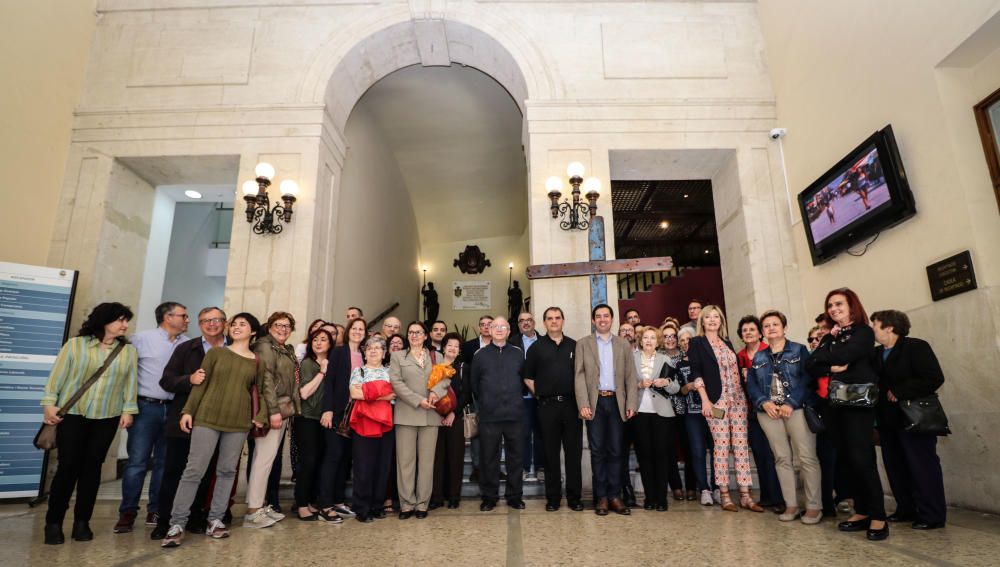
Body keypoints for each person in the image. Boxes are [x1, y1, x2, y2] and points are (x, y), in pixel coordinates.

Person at [160, 313, 263, 547]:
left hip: (238, 422)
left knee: (227, 471)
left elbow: (260, 391)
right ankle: (177, 524)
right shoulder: (216, 353)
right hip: (207, 417)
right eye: (234, 324)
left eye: (243, 324)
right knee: (194, 471)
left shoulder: (256, 360)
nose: (236, 327)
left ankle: (215, 520)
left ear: (253, 331)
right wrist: (188, 411)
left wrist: (260, 416)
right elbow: (200, 384)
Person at [41, 303, 138, 545]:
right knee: (68, 467)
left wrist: (128, 410)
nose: (125, 325)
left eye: (126, 321)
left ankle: (81, 522)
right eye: (120, 320)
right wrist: (49, 403)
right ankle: (53, 523)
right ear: (104, 320)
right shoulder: (75, 345)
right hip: (73, 414)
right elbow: (57, 377)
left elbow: (130, 383)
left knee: (92, 469)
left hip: (107, 416)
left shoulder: (127, 351)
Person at [806, 288, 888, 541]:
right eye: (830, 305)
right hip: (835, 405)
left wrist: (828, 358)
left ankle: (878, 516)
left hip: (857, 403)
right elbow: (811, 363)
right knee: (847, 459)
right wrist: (831, 362)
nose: (833, 309)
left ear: (851, 306)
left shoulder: (863, 331)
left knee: (862, 458)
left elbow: (850, 354)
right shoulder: (831, 335)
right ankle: (861, 510)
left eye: (838, 304)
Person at [152, 307, 228, 540]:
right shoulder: (187, 348)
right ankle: (165, 520)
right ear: (199, 324)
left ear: (225, 322)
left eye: (216, 320)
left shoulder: (235, 349)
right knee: (175, 471)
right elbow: (167, 380)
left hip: (219, 421)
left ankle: (196, 517)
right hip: (185, 421)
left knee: (206, 473)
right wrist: (189, 379)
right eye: (205, 320)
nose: (211, 324)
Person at [115, 301, 189, 534]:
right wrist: (126, 407)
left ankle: (156, 509)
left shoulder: (188, 345)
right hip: (146, 407)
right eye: (183, 316)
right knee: (137, 462)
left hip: (174, 409)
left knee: (165, 463)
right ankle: (127, 512)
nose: (187, 320)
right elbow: (126, 374)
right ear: (168, 317)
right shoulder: (140, 340)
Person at [871, 310, 947, 530]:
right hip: (887, 420)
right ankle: (906, 509)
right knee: (895, 466)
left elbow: (934, 377)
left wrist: (901, 390)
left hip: (914, 419)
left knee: (922, 467)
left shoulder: (915, 346)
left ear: (889, 327)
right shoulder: (875, 354)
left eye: (875, 325)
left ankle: (932, 515)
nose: (872, 329)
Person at [746, 310, 823, 524]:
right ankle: (791, 504)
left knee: (807, 458)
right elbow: (751, 384)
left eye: (775, 324)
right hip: (769, 413)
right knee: (781, 458)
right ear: (763, 332)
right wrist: (764, 402)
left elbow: (808, 380)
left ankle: (814, 506)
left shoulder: (799, 350)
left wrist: (791, 402)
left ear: (784, 327)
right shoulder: (759, 357)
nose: (771, 328)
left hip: (796, 410)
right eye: (767, 326)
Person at [688, 305, 763, 513]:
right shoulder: (697, 343)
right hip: (716, 401)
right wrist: (705, 400)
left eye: (716, 317)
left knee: (740, 447)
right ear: (702, 321)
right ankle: (724, 494)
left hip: (737, 399)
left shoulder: (727, 342)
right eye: (708, 317)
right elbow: (695, 372)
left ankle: (746, 495)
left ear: (721, 321)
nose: (712, 320)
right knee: (721, 447)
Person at [575, 304, 638, 516]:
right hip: (595, 403)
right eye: (598, 316)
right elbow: (579, 375)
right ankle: (601, 497)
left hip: (616, 403)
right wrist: (583, 402)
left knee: (616, 450)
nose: (602, 319)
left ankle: (614, 496)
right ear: (593, 320)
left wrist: (631, 404)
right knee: (597, 450)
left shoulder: (623, 344)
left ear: (612, 319)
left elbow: (630, 376)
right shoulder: (583, 344)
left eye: (606, 316)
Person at [245, 311, 301, 528]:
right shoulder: (264, 346)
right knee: (263, 460)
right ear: (269, 327)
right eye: (279, 325)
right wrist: (273, 410)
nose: (283, 329)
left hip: (283, 409)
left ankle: (259, 504)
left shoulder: (285, 348)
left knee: (267, 460)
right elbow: (265, 379)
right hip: (272, 410)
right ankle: (253, 511)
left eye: (287, 326)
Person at [524, 307, 582, 512]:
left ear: (563, 321)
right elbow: (528, 377)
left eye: (557, 318)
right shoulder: (536, 348)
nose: (554, 321)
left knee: (574, 453)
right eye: (550, 318)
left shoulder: (575, 346)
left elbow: (583, 376)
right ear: (544, 322)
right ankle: (553, 498)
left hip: (572, 405)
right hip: (547, 407)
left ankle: (574, 497)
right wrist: (539, 395)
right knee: (550, 454)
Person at [390, 321, 449, 519]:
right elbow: (396, 382)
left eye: (418, 332)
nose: (414, 335)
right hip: (407, 414)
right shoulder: (398, 356)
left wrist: (435, 393)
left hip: (431, 415)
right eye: (411, 332)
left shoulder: (437, 356)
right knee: (405, 462)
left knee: (426, 463)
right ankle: (406, 504)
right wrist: (418, 400)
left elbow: (445, 378)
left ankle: (422, 504)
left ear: (426, 336)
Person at [472, 316, 526, 511]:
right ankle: (489, 497)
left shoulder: (519, 354)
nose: (499, 329)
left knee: (516, 458)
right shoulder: (480, 355)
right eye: (495, 326)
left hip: (515, 415)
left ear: (509, 330)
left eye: (503, 326)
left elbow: (524, 381)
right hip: (489, 416)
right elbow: (475, 385)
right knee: (488, 458)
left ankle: (514, 496)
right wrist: (487, 402)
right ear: (489, 330)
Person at [318, 317, 367, 522]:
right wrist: (327, 410)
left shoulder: (364, 354)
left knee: (345, 459)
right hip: (338, 412)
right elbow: (329, 382)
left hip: (356, 415)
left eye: (361, 329)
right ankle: (324, 505)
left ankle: (338, 501)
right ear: (348, 331)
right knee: (333, 457)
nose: (357, 331)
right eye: (354, 328)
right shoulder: (339, 352)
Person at [735, 315, 783, 513]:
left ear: (759, 333)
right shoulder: (739, 356)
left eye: (752, 329)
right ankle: (767, 496)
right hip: (751, 410)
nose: (748, 333)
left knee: (775, 454)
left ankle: (780, 498)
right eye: (745, 330)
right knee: (760, 454)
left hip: (771, 409)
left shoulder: (768, 351)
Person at [349, 335, 397, 522]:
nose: (374, 351)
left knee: (382, 466)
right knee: (363, 467)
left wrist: (368, 392)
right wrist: (380, 394)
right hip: (364, 424)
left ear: (384, 353)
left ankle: (377, 505)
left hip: (385, 423)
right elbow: (354, 393)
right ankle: (362, 508)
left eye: (378, 348)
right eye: (370, 348)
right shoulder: (358, 371)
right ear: (365, 352)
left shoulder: (390, 371)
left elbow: (393, 394)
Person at [632, 327, 680, 511]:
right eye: (646, 337)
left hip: (662, 414)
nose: (649, 341)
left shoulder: (665, 359)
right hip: (639, 414)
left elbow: (676, 387)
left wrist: (666, 382)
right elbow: (625, 384)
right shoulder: (632, 358)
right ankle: (649, 498)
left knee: (661, 456)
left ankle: (662, 499)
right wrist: (638, 384)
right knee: (644, 456)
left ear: (657, 341)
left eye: (653, 338)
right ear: (641, 340)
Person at [293, 328, 334, 521]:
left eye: (323, 339)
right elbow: (304, 393)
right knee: (307, 461)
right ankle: (301, 504)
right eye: (315, 339)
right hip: (306, 418)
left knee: (318, 461)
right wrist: (323, 372)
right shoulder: (308, 363)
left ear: (330, 344)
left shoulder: (333, 363)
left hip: (324, 419)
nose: (318, 343)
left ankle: (310, 501)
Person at [674, 326, 717, 506]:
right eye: (682, 340)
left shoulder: (709, 358)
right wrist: (689, 386)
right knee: (697, 451)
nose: (685, 343)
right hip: (692, 413)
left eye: (688, 339)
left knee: (717, 450)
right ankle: (704, 489)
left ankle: (717, 487)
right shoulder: (679, 364)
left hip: (714, 411)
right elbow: (679, 390)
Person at [431, 333, 471, 509]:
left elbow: (466, 394)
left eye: (456, 346)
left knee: (455, 457)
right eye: (450, 345)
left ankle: (454, 496)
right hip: (433, 417)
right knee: (436, 459)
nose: (453, 348)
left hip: (456, 417)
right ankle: (437, 496)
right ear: (444, 347)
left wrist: (453, 412)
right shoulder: (433, 367)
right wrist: (438, 413)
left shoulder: (463, 367)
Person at [661, 325, 696, 501]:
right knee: (668, 449)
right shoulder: (657, 357)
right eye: (666, 336)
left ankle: (691, 486)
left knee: (689, 447)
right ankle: (675, 486)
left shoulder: (686, 355)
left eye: (673, 336)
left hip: (686, 408)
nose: (670, 339)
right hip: (664, 409)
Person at [513, 312, 544, 482]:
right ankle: (524, 467)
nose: (525, 323)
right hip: (521, 398)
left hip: (542, 397)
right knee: (522, 434)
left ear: (534, 322)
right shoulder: (512, 343)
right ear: (518, 325)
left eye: (528, 320)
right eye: (521, 321)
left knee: (541, 433)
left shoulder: (544, 341)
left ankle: (540, 467)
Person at [462, 314, 493, 482]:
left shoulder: (502, 345)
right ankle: (477, 468)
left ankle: (493, 467)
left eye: (490, 324)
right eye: (483, 324)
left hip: (497, 398)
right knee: (476, 433)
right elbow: (465, 373)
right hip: (476, 396)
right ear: (479, 327)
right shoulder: (469, 347)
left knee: (495, 433)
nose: (486, 327)